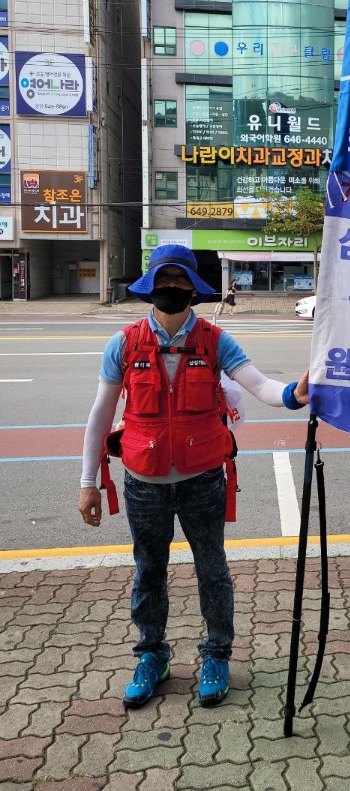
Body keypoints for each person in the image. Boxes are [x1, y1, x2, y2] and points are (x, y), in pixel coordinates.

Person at [78, 244, 309, 710]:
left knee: (213, 571)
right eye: (165, 282)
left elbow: (261, 386)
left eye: (181, 283)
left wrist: (295, 394)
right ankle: (151, 657)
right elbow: (100, 415)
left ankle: (217, 655)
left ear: (193, 291)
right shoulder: (123, 344)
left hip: (203, 481)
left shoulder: (214, 341)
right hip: (144, 484)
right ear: (150, 288)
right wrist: (88, 482)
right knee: (149, 573)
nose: (172, 290)